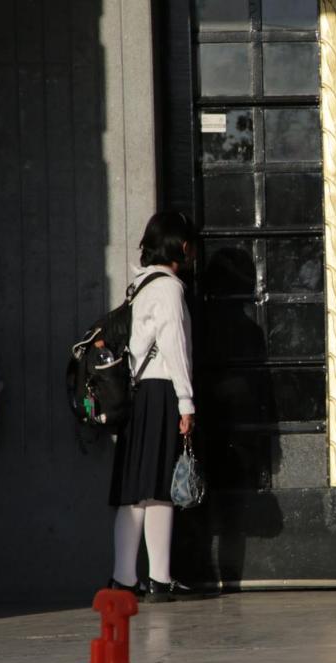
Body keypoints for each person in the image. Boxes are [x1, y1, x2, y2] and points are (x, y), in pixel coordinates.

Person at [108, 211, 204, 603]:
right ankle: (159, 578)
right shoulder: (169, 288)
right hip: (163, 390)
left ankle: (125, 578)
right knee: (161, 489)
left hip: (140, 395)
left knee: (137, 493)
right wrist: (186, 401)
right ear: (181, 245)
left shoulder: (141, 285)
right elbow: (174, 348)